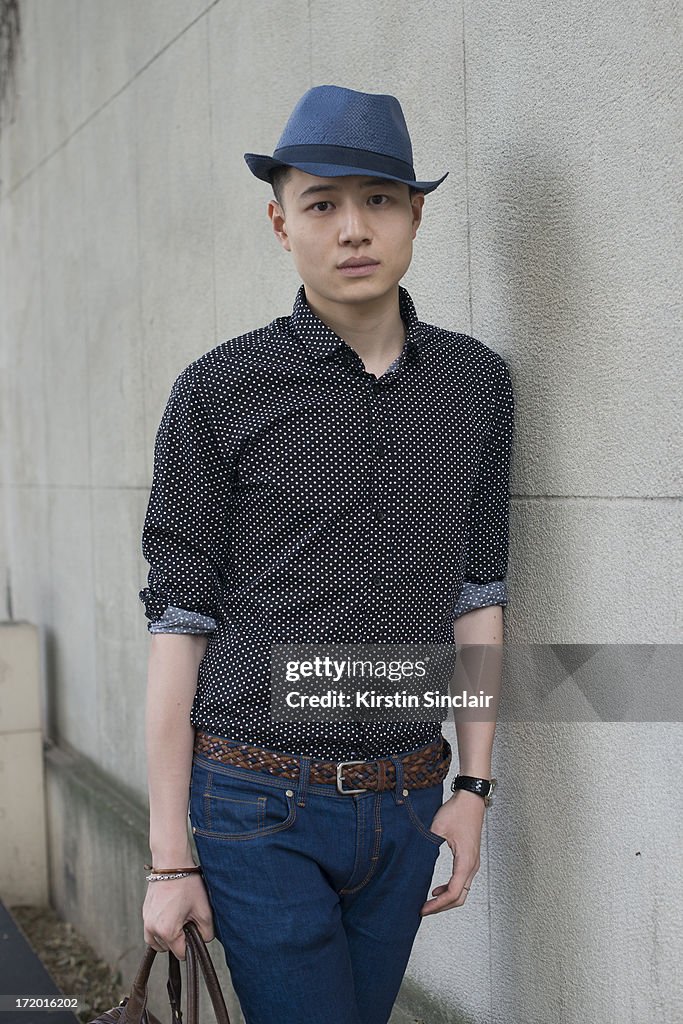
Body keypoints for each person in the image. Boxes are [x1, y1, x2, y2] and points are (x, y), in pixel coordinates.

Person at [139, 85, 514, 1024]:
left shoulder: (475, 385)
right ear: (280, 222)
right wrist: (168, 860)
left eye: (379, 200)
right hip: (256, 803)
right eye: (322, 204)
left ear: (416, 214)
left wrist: (470, 788)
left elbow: (477, 596)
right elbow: (179, 626)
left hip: (407, 800)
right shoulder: (219, 390)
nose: (353, 229)